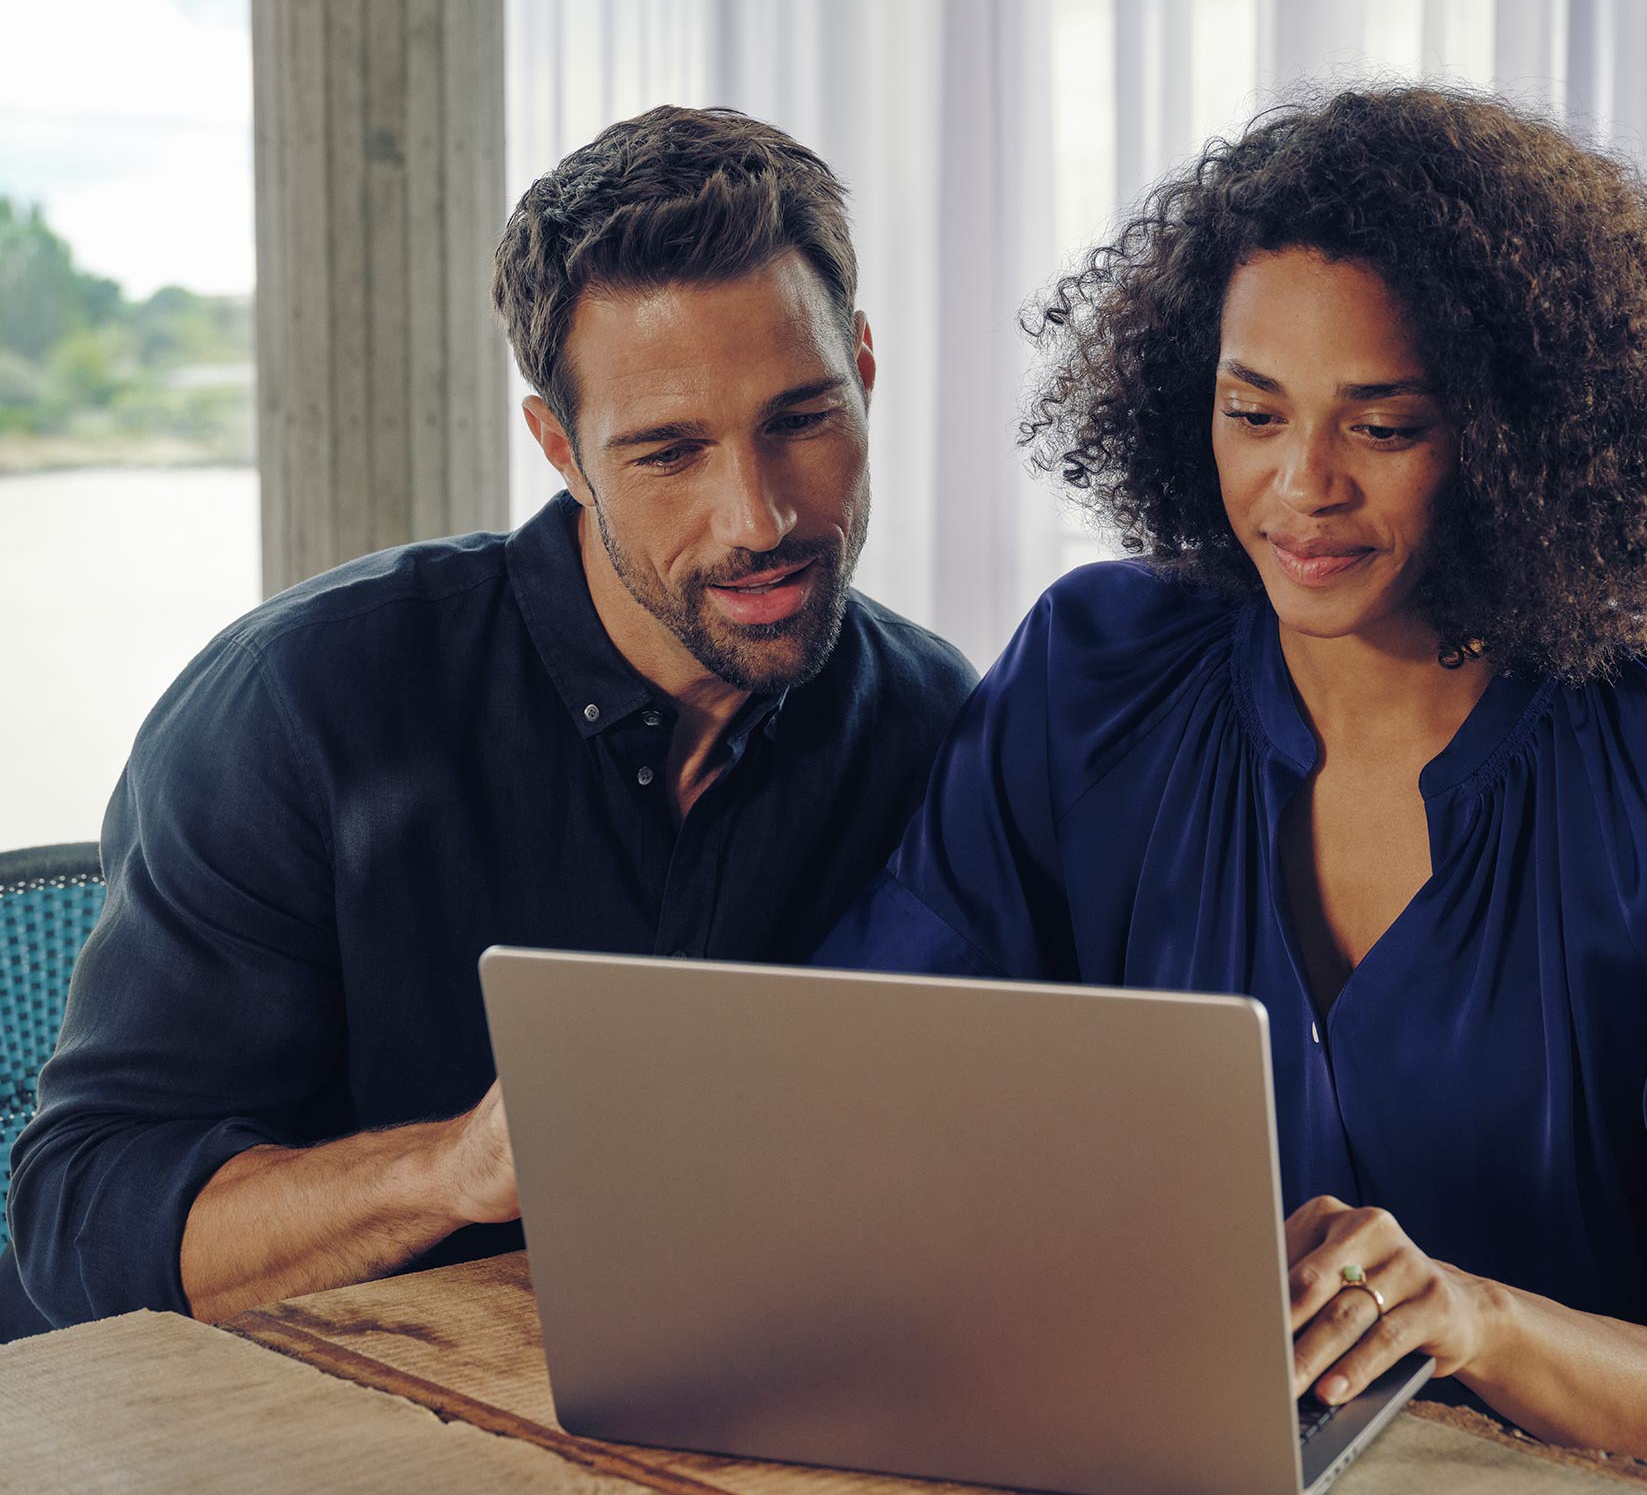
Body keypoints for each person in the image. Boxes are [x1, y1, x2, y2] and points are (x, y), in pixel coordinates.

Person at [817, 85, 1647, 1495]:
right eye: (1252, 412)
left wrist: (1471, 1318)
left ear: (1516, 443)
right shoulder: (1094, 677)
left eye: (1381, 428)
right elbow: (868, 1079)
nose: (1297, 487)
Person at [5, 106, 976, 1340]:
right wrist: (454, 1171)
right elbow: (80, 1221)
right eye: (670, 453)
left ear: (867, 373)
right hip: (290, 1450)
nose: (760, 518)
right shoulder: (297, 709)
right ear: (560, 448)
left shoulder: (939, 724)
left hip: (720, 1414)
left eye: (802, 420)